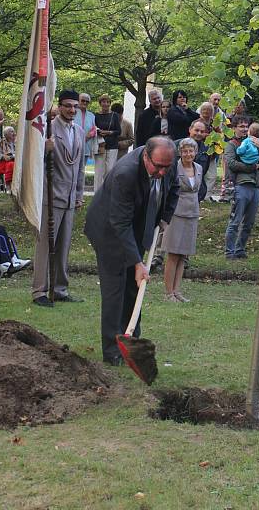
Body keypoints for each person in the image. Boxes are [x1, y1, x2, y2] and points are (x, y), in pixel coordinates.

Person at [84, 136, 179, 365]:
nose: (163, 172)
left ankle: (132, 341)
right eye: (158, 167)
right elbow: (120, 223)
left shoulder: (167, 162)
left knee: (134, 290)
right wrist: (137, 263)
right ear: (146, 156)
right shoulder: (125, 173)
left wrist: (165, 218)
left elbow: (174, 188)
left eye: (166, 167)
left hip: (136, 228)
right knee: (115, 291)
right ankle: (113, 350)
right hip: (109, 232)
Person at [32, 90, 86, 306]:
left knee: (63, 245)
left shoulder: (80, 131)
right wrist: (44, 150)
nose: (72, 110)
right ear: (59, 106)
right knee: (45, 245)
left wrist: (79, 194)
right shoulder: (47, 129)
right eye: (67, 106)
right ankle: (39, 291)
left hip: (70, 196)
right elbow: (33, 163)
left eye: (75, 106)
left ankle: (60, 289)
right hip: (50, 196)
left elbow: (80, 166)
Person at [161, 138, 202, 302]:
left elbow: (199, 189)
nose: (188, 154)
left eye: (191, 151)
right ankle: (168, 293)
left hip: (192, 214)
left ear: (195, 152)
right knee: (173, 254)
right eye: (185, 151)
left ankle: (177, 291)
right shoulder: (174, 167)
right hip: (176, 214)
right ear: (180, 152)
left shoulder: (198, 168)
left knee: (183, 255)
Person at [224, 116, 259, 260]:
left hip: (255, 185)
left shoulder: (255, 141)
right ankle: (229, 252)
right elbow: (231, 164)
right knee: (235, 221)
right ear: (234, 128)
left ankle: (240, 249)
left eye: (246, 126)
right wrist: (250, 167)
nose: (244, 129)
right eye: (241, 126)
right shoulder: (232, 145)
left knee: (249, 222)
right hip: (240, 185)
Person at [93, 95, 121, 192]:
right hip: (100, 145)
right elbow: (93, 129)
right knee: (99, 171)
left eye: (107, 102)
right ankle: (97, 192)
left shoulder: (115, 116)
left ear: (110, 103)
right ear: (100, 103)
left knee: (110, 170)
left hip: (112, 145)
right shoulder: (95, 116)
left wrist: (109, 132)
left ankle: (108, 192)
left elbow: (119, 131)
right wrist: (99, 131)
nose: (106, 104)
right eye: (103, 102)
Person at [74, 93, 98, 164]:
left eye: (87, 101)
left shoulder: (92, 115)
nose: (85, 103)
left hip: (86, 146)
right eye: (83, 100)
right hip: (73, 145)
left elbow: (95, 128)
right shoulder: (73, 112)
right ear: (78, 101)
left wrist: (90, 135)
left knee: (82, 170)